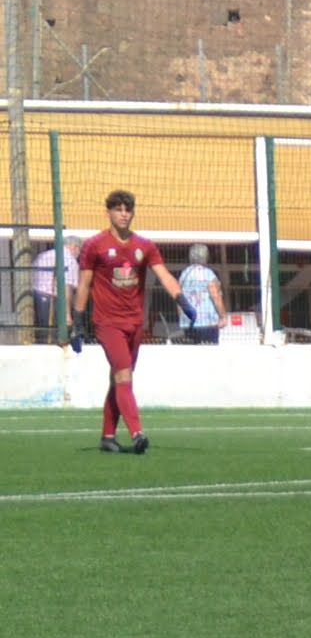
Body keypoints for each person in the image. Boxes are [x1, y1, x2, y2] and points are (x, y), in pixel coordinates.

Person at [76, 191, 181, 456]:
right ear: (108, 212)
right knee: (124, 375)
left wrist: (182, 300)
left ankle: (108, 437)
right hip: (108, 323)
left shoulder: (145, 246)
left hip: (135, 323)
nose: (123, 214)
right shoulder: (94, 245)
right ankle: (137, 433)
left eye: (128, 209)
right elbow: (84, 284)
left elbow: (164, 275)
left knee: (118, 379)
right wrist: (76, 321)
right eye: (118, 209)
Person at [175, 244, 227, 347]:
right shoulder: (208, 274)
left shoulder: (184, 275)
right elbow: (216, 297)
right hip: (207, 322)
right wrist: (223, 316)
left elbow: (179, 298)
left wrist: (182, 317)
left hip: (188, 322)